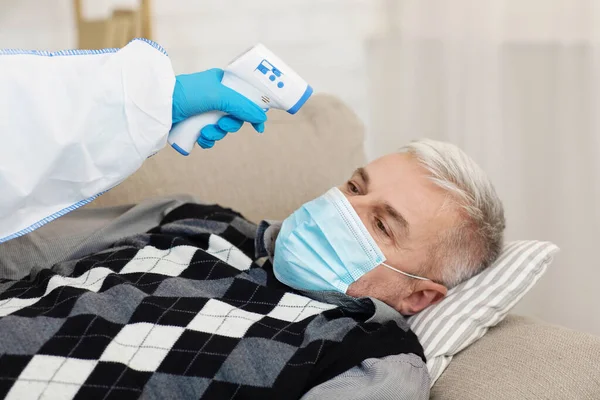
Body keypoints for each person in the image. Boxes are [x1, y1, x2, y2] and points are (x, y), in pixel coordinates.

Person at [0, 39, 505, 399]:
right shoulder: (191, 218)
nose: (344, 209)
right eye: (354, 187)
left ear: (418, 295)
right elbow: (15, 250)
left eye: (382, 224)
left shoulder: (369, 359)